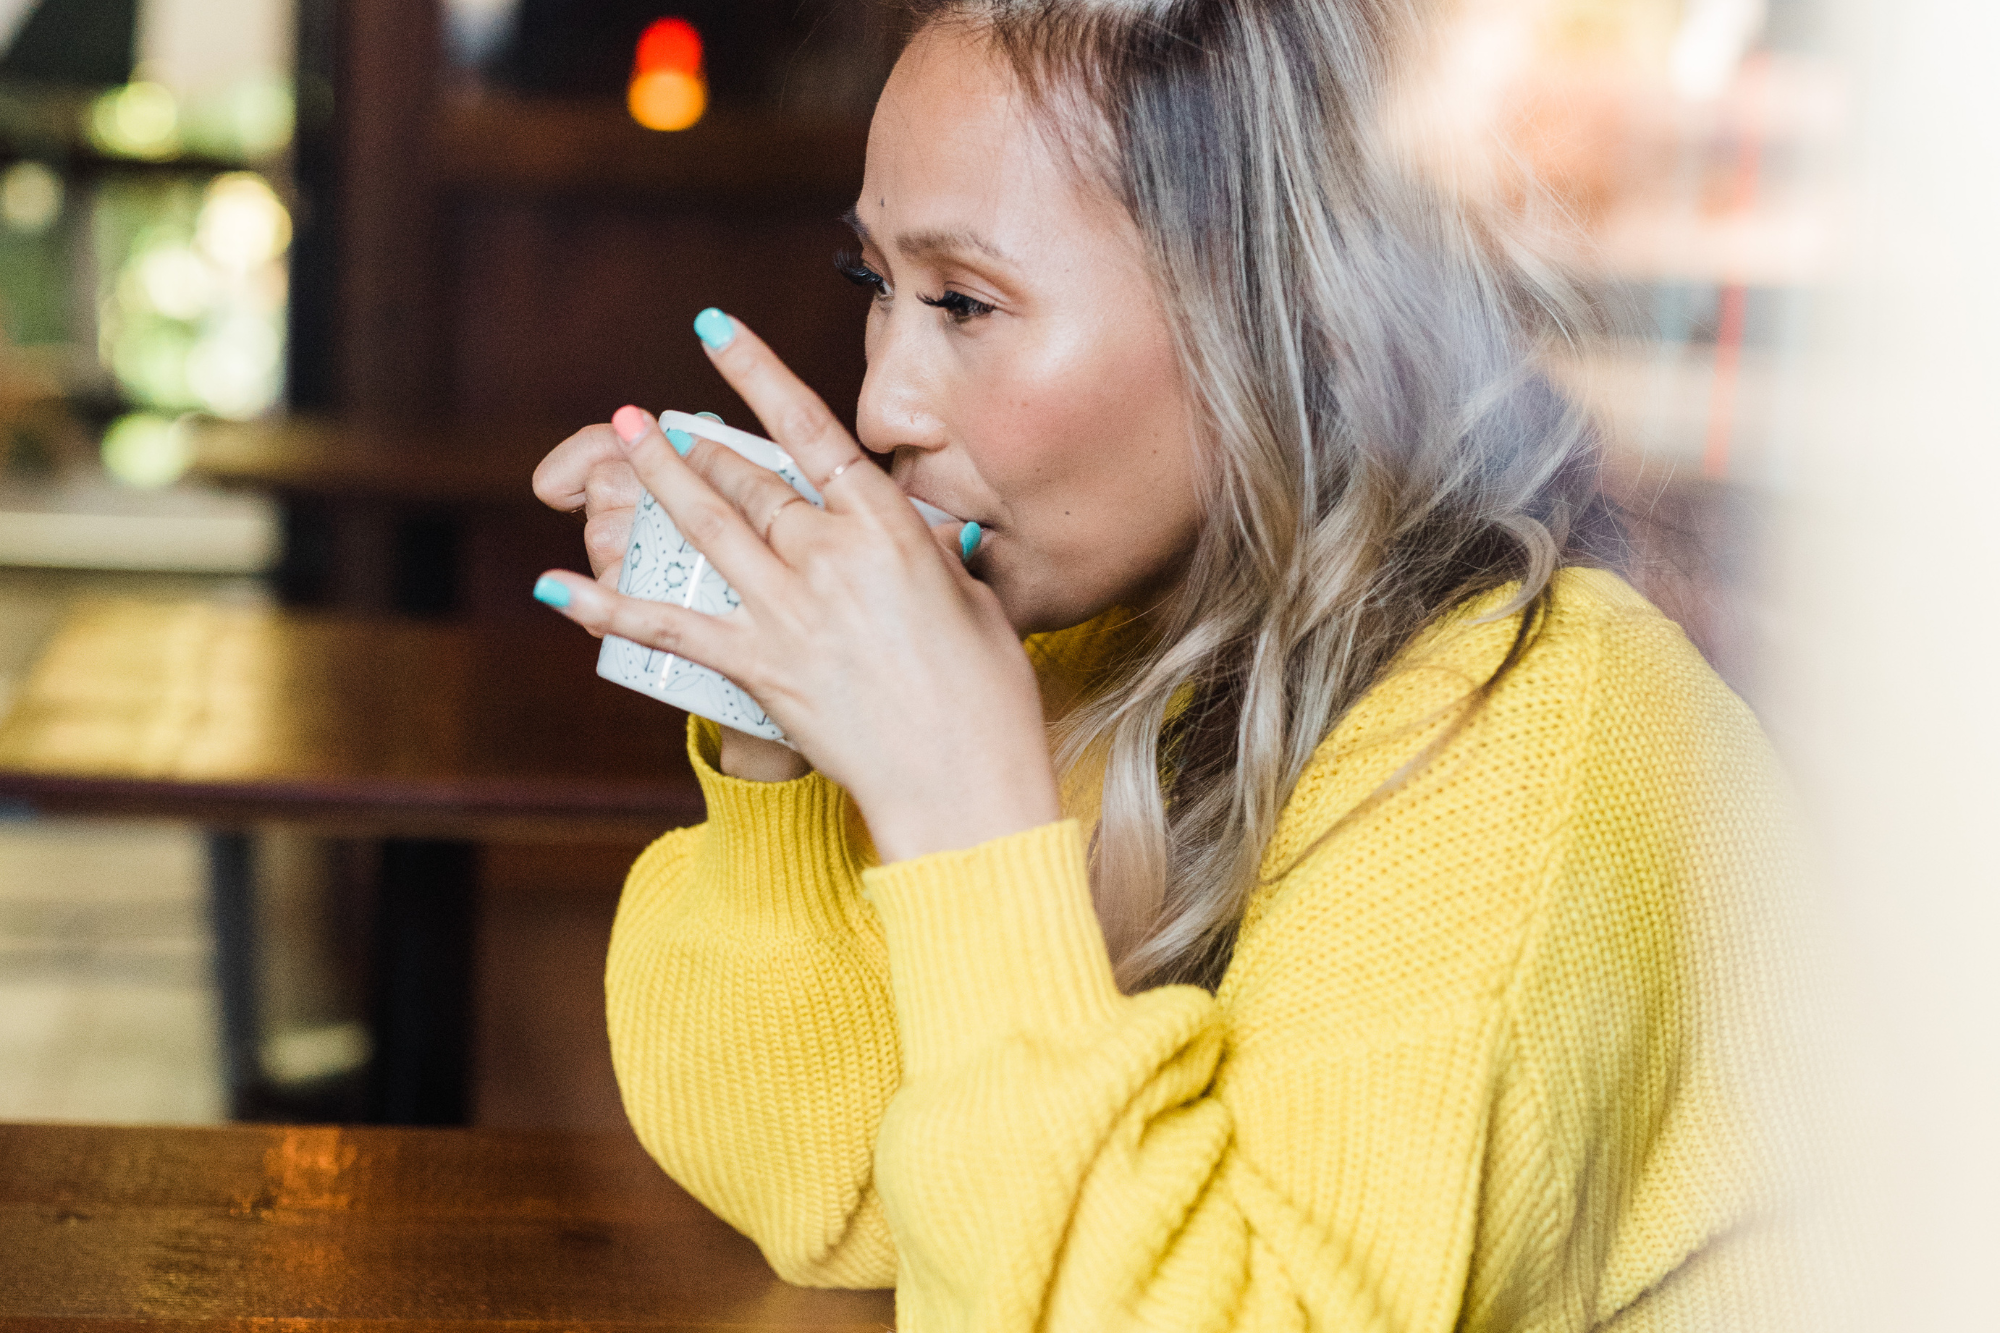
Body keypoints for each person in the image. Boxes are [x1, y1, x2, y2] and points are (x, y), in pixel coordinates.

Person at [529, 0, 1804, 1326]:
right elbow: (835, 1195)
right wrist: (773, 713)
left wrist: (965, 813)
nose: (883, 407)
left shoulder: (1523, 734)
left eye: (963, 300)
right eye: (878, 288)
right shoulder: (1132, 646)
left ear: (1283, 310)